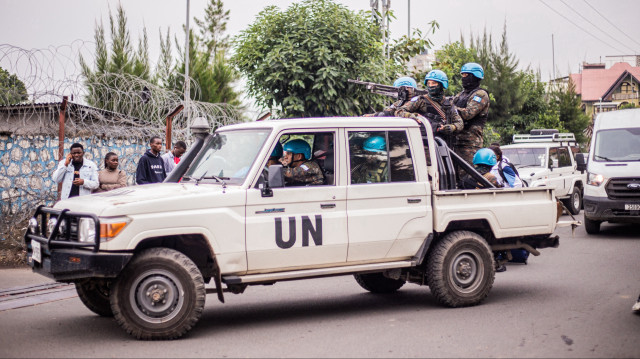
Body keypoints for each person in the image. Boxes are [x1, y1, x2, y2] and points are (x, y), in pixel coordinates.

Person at [394, 70, 463, 148]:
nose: (431, 86)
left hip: (443, 145)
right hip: (424, 144)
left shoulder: (449, 103)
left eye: (434, 83)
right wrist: (410, 115)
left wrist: (452, 127)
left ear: (441, 85)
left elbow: (460, 123)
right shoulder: (420, 100)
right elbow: (399, 111)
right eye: (429, 83)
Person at [452, 62, 491, 167]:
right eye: (462, 75)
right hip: (456, 141)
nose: (463, 78)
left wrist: (451, 109)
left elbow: (468, 114)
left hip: (470, 144)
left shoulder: (480, 94)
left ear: (475, 77)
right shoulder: (460, 95)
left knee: (467, 175)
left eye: (466, 75)